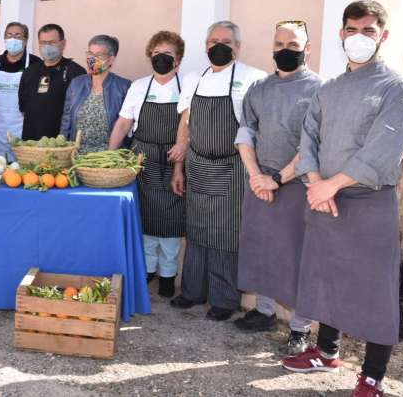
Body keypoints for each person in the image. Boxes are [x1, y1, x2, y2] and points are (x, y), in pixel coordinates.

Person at [282, 0, 403, 397]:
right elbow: (308, 139)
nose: (360, 37)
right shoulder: (328, 90)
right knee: (327, 277)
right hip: (322, 198)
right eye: (353, 30)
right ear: (341, 34)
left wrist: (331, 185)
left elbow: (384, 148)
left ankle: (373, 376)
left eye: (369, 30)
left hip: (370, 202)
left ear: (383, 36)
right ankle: (327, 352)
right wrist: (315, 182)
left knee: (376, 289)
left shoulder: (397, 88)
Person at [232, 20, 323, 355]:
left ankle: (300, 328)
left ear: (307, 48)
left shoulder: (320, 90)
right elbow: (246, 132)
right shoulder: (259, 88)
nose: (286, 50)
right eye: (280, 44)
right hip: (261, 182)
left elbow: (312, 145)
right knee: (262, 248)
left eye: (293, 45)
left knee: (297, 254)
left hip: (298, 183)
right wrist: (256, 175)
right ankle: (264, 312)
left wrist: (278, 178)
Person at [169, 20, 266, 321]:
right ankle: (192, 291)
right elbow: (185, 124)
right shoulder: (194, 79)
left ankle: (224, 299)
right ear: (205, 46)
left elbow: (258, 128)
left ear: (238, 47)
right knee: (196, 229)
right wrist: (178, 168)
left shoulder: (254, 79)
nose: (218, 47)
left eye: (226, 42)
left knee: (226, 233)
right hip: (197, 164)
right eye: (213, 42)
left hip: (233, 166)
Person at [108, 31, 186, 298]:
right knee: (146, 216)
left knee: (172, 219)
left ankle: (168, 273)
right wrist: (110, 155)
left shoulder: (187, 86)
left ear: (178, 60)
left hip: (175, 159)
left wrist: (181, 155)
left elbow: (190, 125)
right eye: (156, 54)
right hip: (143, 158)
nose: (161, 58)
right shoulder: (139, 86)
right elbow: (123, 123)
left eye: (167, 54)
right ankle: (148, 269)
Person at [60, 35, 130, 153]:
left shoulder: (123, 87)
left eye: (99, 55)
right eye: (90, 54)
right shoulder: (76, 84)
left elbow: (126, 126)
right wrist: (62, 148)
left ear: (111, 59)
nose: (92, 59)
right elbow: (66, 121)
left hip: (108, 157)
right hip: (76, 155)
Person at [18, 24, 86, 140]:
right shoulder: (29, 71)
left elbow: (81, 111)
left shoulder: (76, 72)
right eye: (43, 42)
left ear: (63, 44)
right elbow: (23, 106)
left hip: (62, 142)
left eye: (52, 42)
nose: (47, 46)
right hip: (30, 141)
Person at [0, 21, 41, 157]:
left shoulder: (36, 64)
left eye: (17, 36)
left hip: (25, 128)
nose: (13, 39)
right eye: (9, 35)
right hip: (0, 129)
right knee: (0, 164)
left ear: (25, 40)